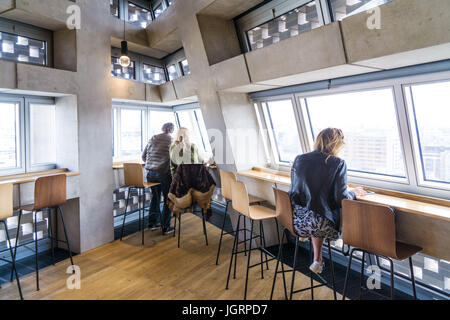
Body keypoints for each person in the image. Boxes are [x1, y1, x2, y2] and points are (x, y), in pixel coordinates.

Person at [289, 128, 367, 274]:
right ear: (336, 144)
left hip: (295, 221)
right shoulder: (338, 163)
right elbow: (341, 198)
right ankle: (316, 257)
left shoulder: (299, 159)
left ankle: (316, 258)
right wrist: (354, 193)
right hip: (321, 224)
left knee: (315, 209)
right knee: (322, 214)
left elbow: (293, 192)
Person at [142, 122, 175, 235]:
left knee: (155, 198)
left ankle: (152, 224)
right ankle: (165, 226)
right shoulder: (172, 140)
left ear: (162, 128)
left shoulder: (153, 138)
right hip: (164, 173)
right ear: (171, 130)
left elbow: (143, 157)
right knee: (168, 199)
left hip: (150, 173)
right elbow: (175, 160)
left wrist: (153, 163)